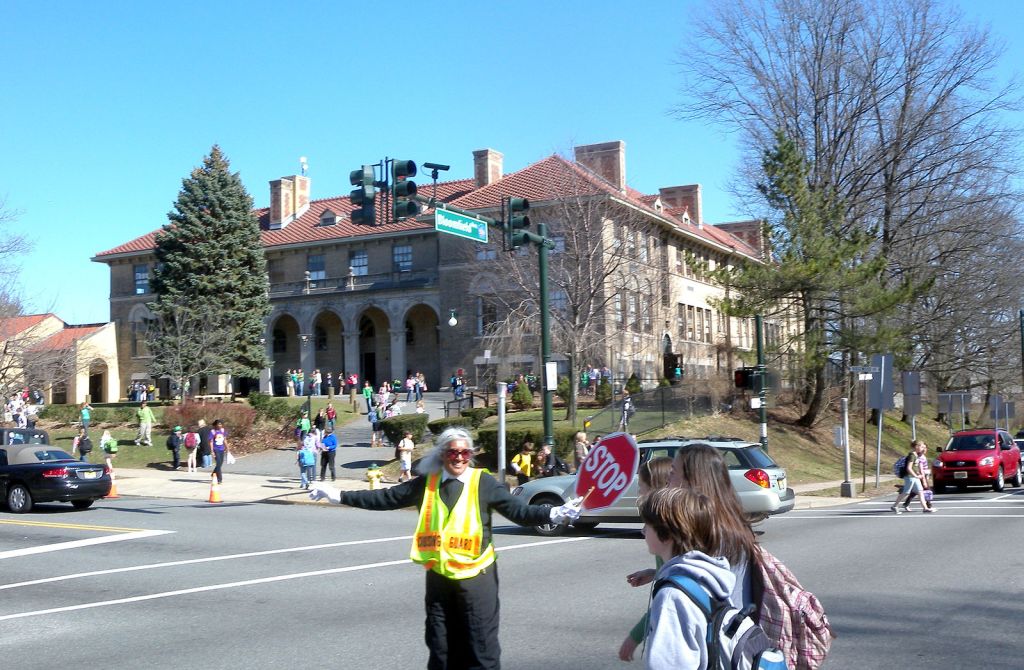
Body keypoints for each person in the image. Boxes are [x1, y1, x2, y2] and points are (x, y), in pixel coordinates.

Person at [309, 428, 582, 670]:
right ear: (442, 455)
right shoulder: (426, 484)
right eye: (453, 452)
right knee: (441, 651)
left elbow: (519, 512)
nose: (460, 457)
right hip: (439, 581)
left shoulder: (483, 483)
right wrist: (338, 495)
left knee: (481, 650)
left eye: (465, 452)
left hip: (477, 579)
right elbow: (384, 497)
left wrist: (554, 513)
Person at [640, 486, 739, 670]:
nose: (643, 531)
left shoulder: (672, 597)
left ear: (667, 534)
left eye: (648, 525)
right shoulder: (708, 577)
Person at [668, 444, 763, 611]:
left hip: (718, 631)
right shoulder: (728, 521)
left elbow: (696, 592)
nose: (668, 478)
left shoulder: (709, 530)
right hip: (734, 626)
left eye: (673, 472)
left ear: (693, 481)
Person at [619, 456, 674, 662]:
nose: (639, 493)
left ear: (656, 487)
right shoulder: (674, 524)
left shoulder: (668, 530)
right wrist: (654, 573)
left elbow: (668, 599)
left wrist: (633, 638)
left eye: (641, 487)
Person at [892, 440, 936, 513]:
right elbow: (909, 468)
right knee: (906, 492)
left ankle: (925, 508)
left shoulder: (916, 455)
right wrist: (916, 476)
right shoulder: (912, 455)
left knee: (920, 492)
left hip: (914, 477)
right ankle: (894, 506)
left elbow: (918, 466)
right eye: (922, 447)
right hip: (910, 477)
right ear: (917, 447)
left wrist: (920, 475)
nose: (923, 448)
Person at [210, 419, 229, 484]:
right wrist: (212, 451)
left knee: (220, 463)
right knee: (218, 463)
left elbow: (225, 440)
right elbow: (211, 442)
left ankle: (213, 473)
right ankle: (219, 479)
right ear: (215, 425)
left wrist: (227, 448)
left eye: (221, 424)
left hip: (221, 449)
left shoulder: (223, 431)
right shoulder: (213, 431)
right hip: (216, 449)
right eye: (218, 424)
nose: (220, 425)